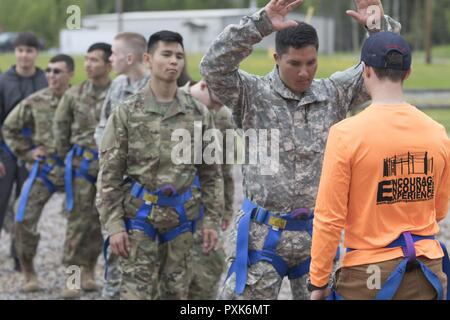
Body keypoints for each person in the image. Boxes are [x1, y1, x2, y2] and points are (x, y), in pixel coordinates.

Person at [200, 0, 401, 299]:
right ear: (276, 58)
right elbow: (213, 67)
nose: (304, 72)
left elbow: (385, 67)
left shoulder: (333, 93)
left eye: (311, 62)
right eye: (294, 63)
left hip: (318, 237)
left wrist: (377, 28)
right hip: (262, 237)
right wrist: (261, 23)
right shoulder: (252, 94)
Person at [309, 32, 450, 300]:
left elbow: (329, 218)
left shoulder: (346, 133)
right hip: (426, 270)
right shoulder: (437, 133)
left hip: (368, 274)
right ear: (408, 73)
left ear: (365, 70)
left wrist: (318, 282)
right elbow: (439, 210)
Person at [97, 31, 223, 300]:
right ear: (148, 59)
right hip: (139, 221)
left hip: (183, 223)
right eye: (166, 54)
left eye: (178, 56)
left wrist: (211, 221)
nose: (173, 61)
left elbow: (212, 173)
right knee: (135, 294)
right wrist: (115, 226)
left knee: (176, 294)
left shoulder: (198, 112)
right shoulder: (127, 112)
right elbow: (109, 175)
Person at [2, 54, 75, 292]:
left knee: (82, 226)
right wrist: (28, 152)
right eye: (49, 70)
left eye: (57, 71)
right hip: (45, 170)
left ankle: (74, 279)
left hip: (77, 173)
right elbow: (9, 128)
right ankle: (29, 274)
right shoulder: (35, 101)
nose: (51, 76)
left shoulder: (81, 100)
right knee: (22, 219)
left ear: (70, 74)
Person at [53, 43, 112, 299]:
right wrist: (68, 158)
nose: (88, 64)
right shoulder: (74, 94)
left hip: (110, 171)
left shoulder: (118, 93)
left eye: (94, 60)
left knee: (101, 223)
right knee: (77, 224)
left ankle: (89, 271)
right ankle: (72, 279)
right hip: (81, 169)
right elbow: (61, 129)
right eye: (86, 59)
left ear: (109, 64)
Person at [0, 31, 48, 271]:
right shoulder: (3, 81)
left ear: (36, 53)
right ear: (15, 52)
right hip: (6, 152)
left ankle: (20, 256)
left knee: (25, 205)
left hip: (35, 153)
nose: (24, 55)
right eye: (20, 50)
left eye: (29, 51)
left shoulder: (45, 80)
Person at [184, 80, 236, 299]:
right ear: (204, 86)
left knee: (209, 266)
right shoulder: (172, 103)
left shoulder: (223, 116)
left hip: (204, 204)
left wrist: (226, 207)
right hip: (168, 204)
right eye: (214, 101)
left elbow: (224, 169)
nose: (216, 107)